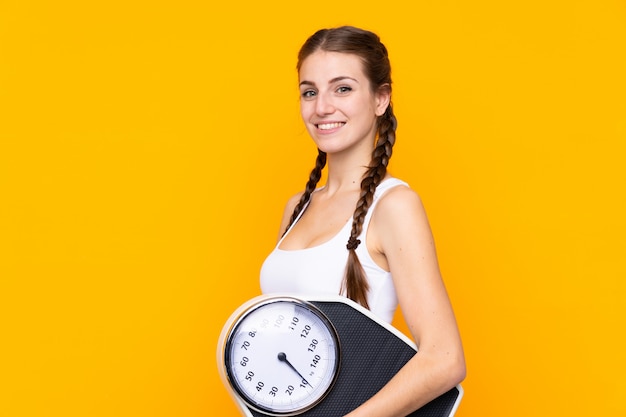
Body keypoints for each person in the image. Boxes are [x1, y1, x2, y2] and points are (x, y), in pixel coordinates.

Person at [260, 25, 466, 416]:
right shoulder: (296, 207)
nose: (322, 106)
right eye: (310, 91)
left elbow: (444, 359)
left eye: (343, 88)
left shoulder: (394, 206)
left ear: (380, 98)